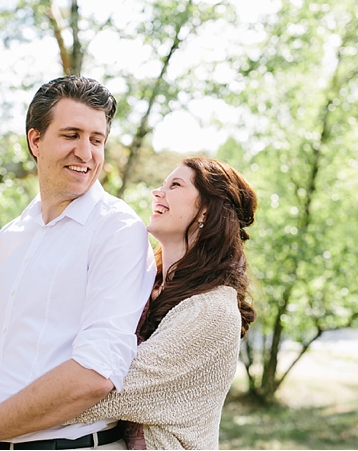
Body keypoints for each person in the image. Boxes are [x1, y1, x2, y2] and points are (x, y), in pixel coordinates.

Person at [0, 75, 156, 450]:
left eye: (96, 140)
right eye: (71, 135)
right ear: (35, 140)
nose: (86, 153)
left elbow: (95, 374)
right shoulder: (12, 235)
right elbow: (23, 364)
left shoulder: (116, 230)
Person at [69, 156, 258, 449]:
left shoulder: (212, 311)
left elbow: (101, 395)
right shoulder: (143, 284)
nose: (157, 192)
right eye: (161, 184)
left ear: (206, 210)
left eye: (175, 185)